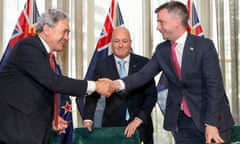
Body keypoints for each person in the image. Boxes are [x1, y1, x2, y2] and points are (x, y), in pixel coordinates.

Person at [109, 1, 234, 144]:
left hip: (211, 120)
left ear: (177, 22)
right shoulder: (162, 50)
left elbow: (215, 87)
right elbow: (143, 75)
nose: (158, 27)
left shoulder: (204, 46)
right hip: (182, 123)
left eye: (161, 22)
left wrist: (211, 123)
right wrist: (115, 84)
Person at [0, 9, 113, 144]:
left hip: (33, 131)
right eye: (64, 31)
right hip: (16, 132)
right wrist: (95, 85)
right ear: (47, 29)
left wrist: (51, 118)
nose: (67, 37)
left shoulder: (46, 56)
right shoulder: (28, 47)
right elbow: (54, 82)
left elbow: (35, 92)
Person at [83, 27, 157, 144]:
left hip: (140, 127)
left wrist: (139, 119)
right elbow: (92, 95)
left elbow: (151, 95)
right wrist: (88, 119)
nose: (120, 45)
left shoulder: (143, 63)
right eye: (117, 41)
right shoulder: (102, 65)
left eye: (124, 41)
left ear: (130, 43)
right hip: (112, 127)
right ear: (112, 43)